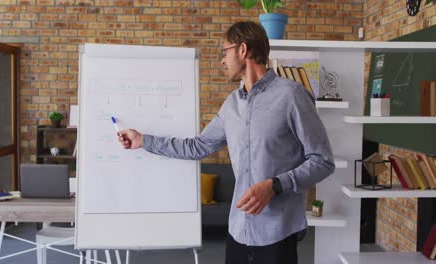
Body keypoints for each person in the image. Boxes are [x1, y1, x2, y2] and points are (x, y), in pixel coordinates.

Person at [117, 21, 335, 264]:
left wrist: (274, 185)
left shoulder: (292, 95)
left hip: (278, 234)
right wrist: (142, 140)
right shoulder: (232, 105)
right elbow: (197, 146)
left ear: (243, 50)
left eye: (225, 52)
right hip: (238, 232)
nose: (222, 60)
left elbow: (323, 161)